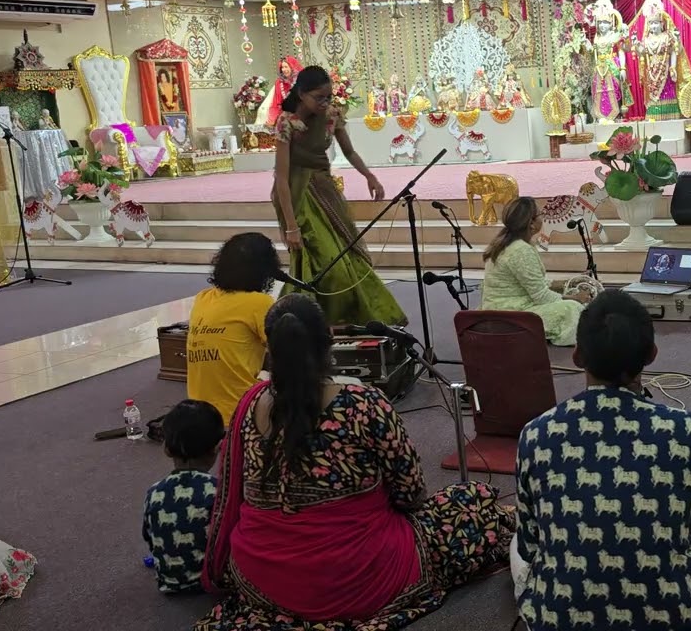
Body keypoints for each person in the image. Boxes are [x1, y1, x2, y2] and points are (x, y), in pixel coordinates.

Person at [198, 294, 515, 631]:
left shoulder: (248, 405)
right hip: (355, 578)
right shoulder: (362, 404)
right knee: (473, 500)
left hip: (259, 578)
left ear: (269, 348)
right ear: (330, 342)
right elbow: (411, 494)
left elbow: (236, 493)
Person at [511, 290, 691, 631]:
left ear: (577, 356)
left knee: (519, 540)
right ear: (652, 354)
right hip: (675, 618)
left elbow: (529, 546)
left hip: (559, 619)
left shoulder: (536, 433)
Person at [271, 64, 406, 327]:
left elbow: (349, 152)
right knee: (324, 262)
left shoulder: (332, 116)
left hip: (326, 190)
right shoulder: (286, 123)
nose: (325, 103)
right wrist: (291, 226)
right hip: (299, 195)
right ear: (301, 94)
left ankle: (351, 317)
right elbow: (281, 177)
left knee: (347, 254)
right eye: (318, 98)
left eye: (328, 97)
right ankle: (315, 321)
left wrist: (370, 176)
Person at [187, 233, 279, 424]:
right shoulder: (259, 303)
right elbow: (287, 353)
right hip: (241, 414)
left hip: (199, 415)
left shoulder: (203, 298)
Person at [480, 197, 589, 346]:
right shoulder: (520, 250)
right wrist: (576, 298)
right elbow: (542, 297)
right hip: (512, 315)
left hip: (498, 311)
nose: (542, 218)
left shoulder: (509, 243)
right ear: (530, 223)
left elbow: (535, 283)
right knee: (573, 309)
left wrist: (567, 283)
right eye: (540, 214)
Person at [143, 399, 224, 594]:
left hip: (168, 581)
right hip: (211, 581)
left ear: (167, 449)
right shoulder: (218, 490)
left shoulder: (154, 492)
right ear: (217, 448)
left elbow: (148, 536)